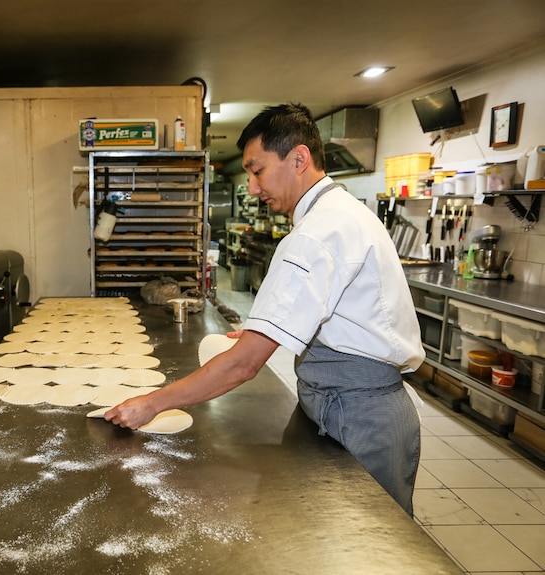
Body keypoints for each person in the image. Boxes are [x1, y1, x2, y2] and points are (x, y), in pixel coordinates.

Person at [106, 103, 424, 516]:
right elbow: (343, 314)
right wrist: (270, 329)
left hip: (356, 417)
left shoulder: (316, 233)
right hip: (349, 405)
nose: (253, 187)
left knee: (367, 545)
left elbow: (244, 366)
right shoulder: (341, 214)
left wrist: (153, 403)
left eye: (257, 171)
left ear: (299, 158)